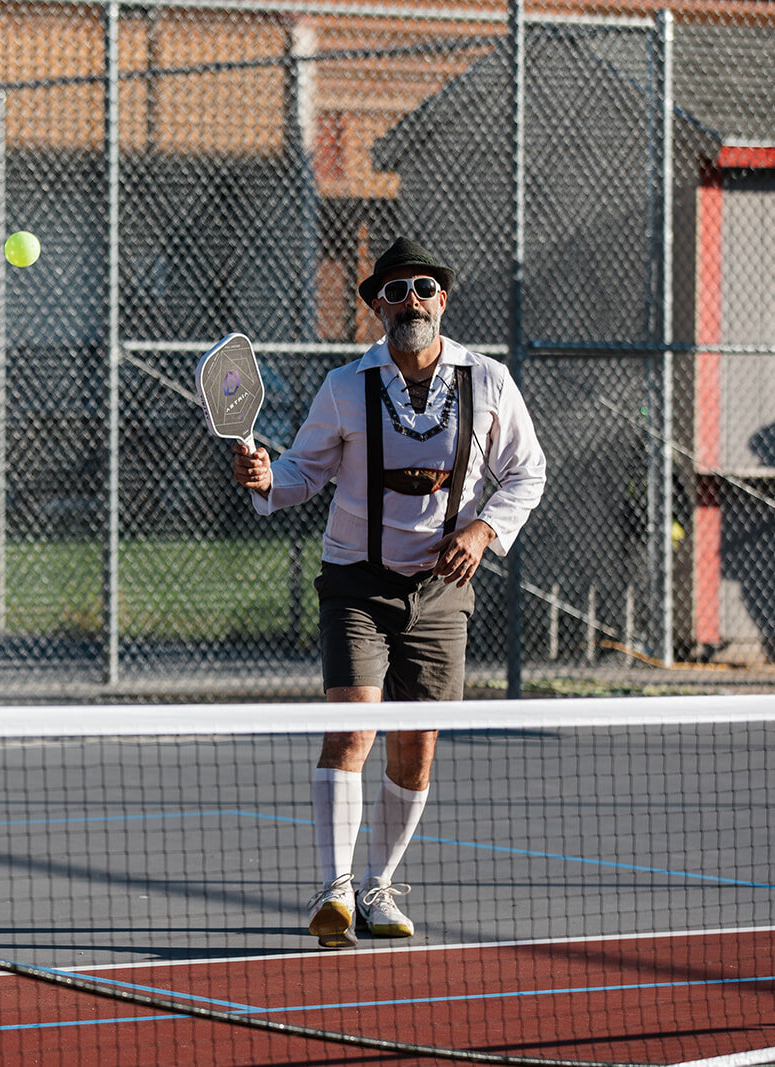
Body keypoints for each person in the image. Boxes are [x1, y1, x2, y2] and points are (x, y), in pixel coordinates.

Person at [230, 236, 545, 949]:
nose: (414, 301)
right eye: (398, 290)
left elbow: (528, 472)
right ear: (376, 306)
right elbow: (301, 475)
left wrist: (484, 531)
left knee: (417, 744)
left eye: (426, 288)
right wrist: (266, 478)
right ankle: (334, 888)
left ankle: (378, 887)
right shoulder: (345, 387)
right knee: (352, 728)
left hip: (442, 588)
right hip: (356, 582)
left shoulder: (488, 381)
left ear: (444, 300)